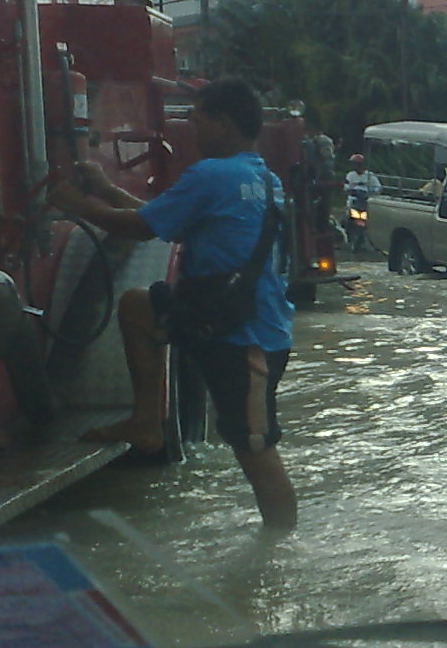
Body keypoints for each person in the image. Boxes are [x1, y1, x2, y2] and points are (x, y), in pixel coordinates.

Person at [48, 78, 298, 531]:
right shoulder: (261, 176)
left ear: (223, 124)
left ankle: (280, 550)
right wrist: (104, 190)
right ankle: (147, 422)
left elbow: (142, 229)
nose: (193, 131)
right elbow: (165, 222)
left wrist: (76, 206)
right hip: (218, 318)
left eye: (198, 121)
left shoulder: (213, 174)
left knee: (256, 451)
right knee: (139, 307)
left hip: (246, 338)